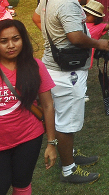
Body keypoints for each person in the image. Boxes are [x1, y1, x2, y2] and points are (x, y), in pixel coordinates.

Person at [35, 0, 109, 184]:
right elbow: (75, 36)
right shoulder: (67, 1)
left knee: (61, 116)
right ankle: (68, 169)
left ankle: (70, 152)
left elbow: (35, 17)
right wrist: (98, 44)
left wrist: (52, 38)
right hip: (67, 72)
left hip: (52, 66)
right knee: (66, 121)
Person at [0, 19, 58, 194]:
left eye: (16, 39)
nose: (11, 45)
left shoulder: (35, 66)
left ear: (23, 39)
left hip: (28, 138)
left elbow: (48, 105)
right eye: (3, 41)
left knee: (22, 184)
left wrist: (51, 143)